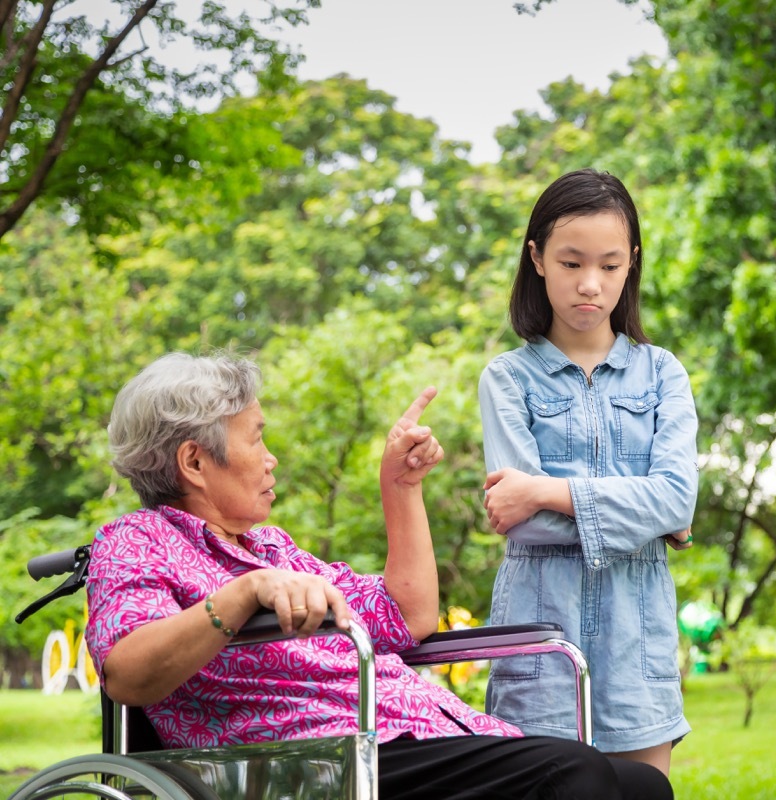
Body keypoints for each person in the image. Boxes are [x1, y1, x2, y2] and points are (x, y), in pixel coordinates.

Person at [84, 351, 673, 800]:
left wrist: (400, 485)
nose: (271, 458)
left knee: (645, 786)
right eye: (257, 437)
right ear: (194, 462)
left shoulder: (271, 548)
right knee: (575, 774)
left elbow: (405, 615)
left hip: (406, 734)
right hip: (314, 759)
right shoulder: (135, 543)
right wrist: (242, 595)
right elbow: (127, 674)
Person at [479, 169, 699, 777]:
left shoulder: (662, 374)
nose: (590, 285)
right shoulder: (507, 379)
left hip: (639, 641)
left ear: (631, 264)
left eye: (608, 265)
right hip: (539, 641)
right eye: (571, 263)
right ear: (538, 259)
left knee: (643, 794)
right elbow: (522, 526)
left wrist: (545, 491)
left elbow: (678, 500)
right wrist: (646, 517)